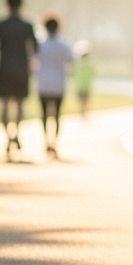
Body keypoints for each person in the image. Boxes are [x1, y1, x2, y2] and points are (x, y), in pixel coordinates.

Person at [0, 0, 37, 161]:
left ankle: (8, 137)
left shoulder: (0, 24)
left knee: (4, 105)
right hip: (21, 69)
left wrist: (4, 46)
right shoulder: (27, 25)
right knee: (19, 105)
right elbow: (35, 47)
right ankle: (17, 133)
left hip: (5, 68)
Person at [36, 14, 75, 159]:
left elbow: (32, 59)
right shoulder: (63, 44)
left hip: (43, 84)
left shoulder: (40, 44)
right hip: (58, 84)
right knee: (57, 115)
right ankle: (55, 142)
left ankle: (47, 140)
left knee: (45, 115)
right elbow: (71, 61)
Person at [72, 40, 95, 119]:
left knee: (81, 99)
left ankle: (82, 111)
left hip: (80, 84)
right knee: (85, 100)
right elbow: (93, 73)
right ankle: (84, 111)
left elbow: (73, 73)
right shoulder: (89, 64)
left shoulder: (78, 64)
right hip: (86, 85)